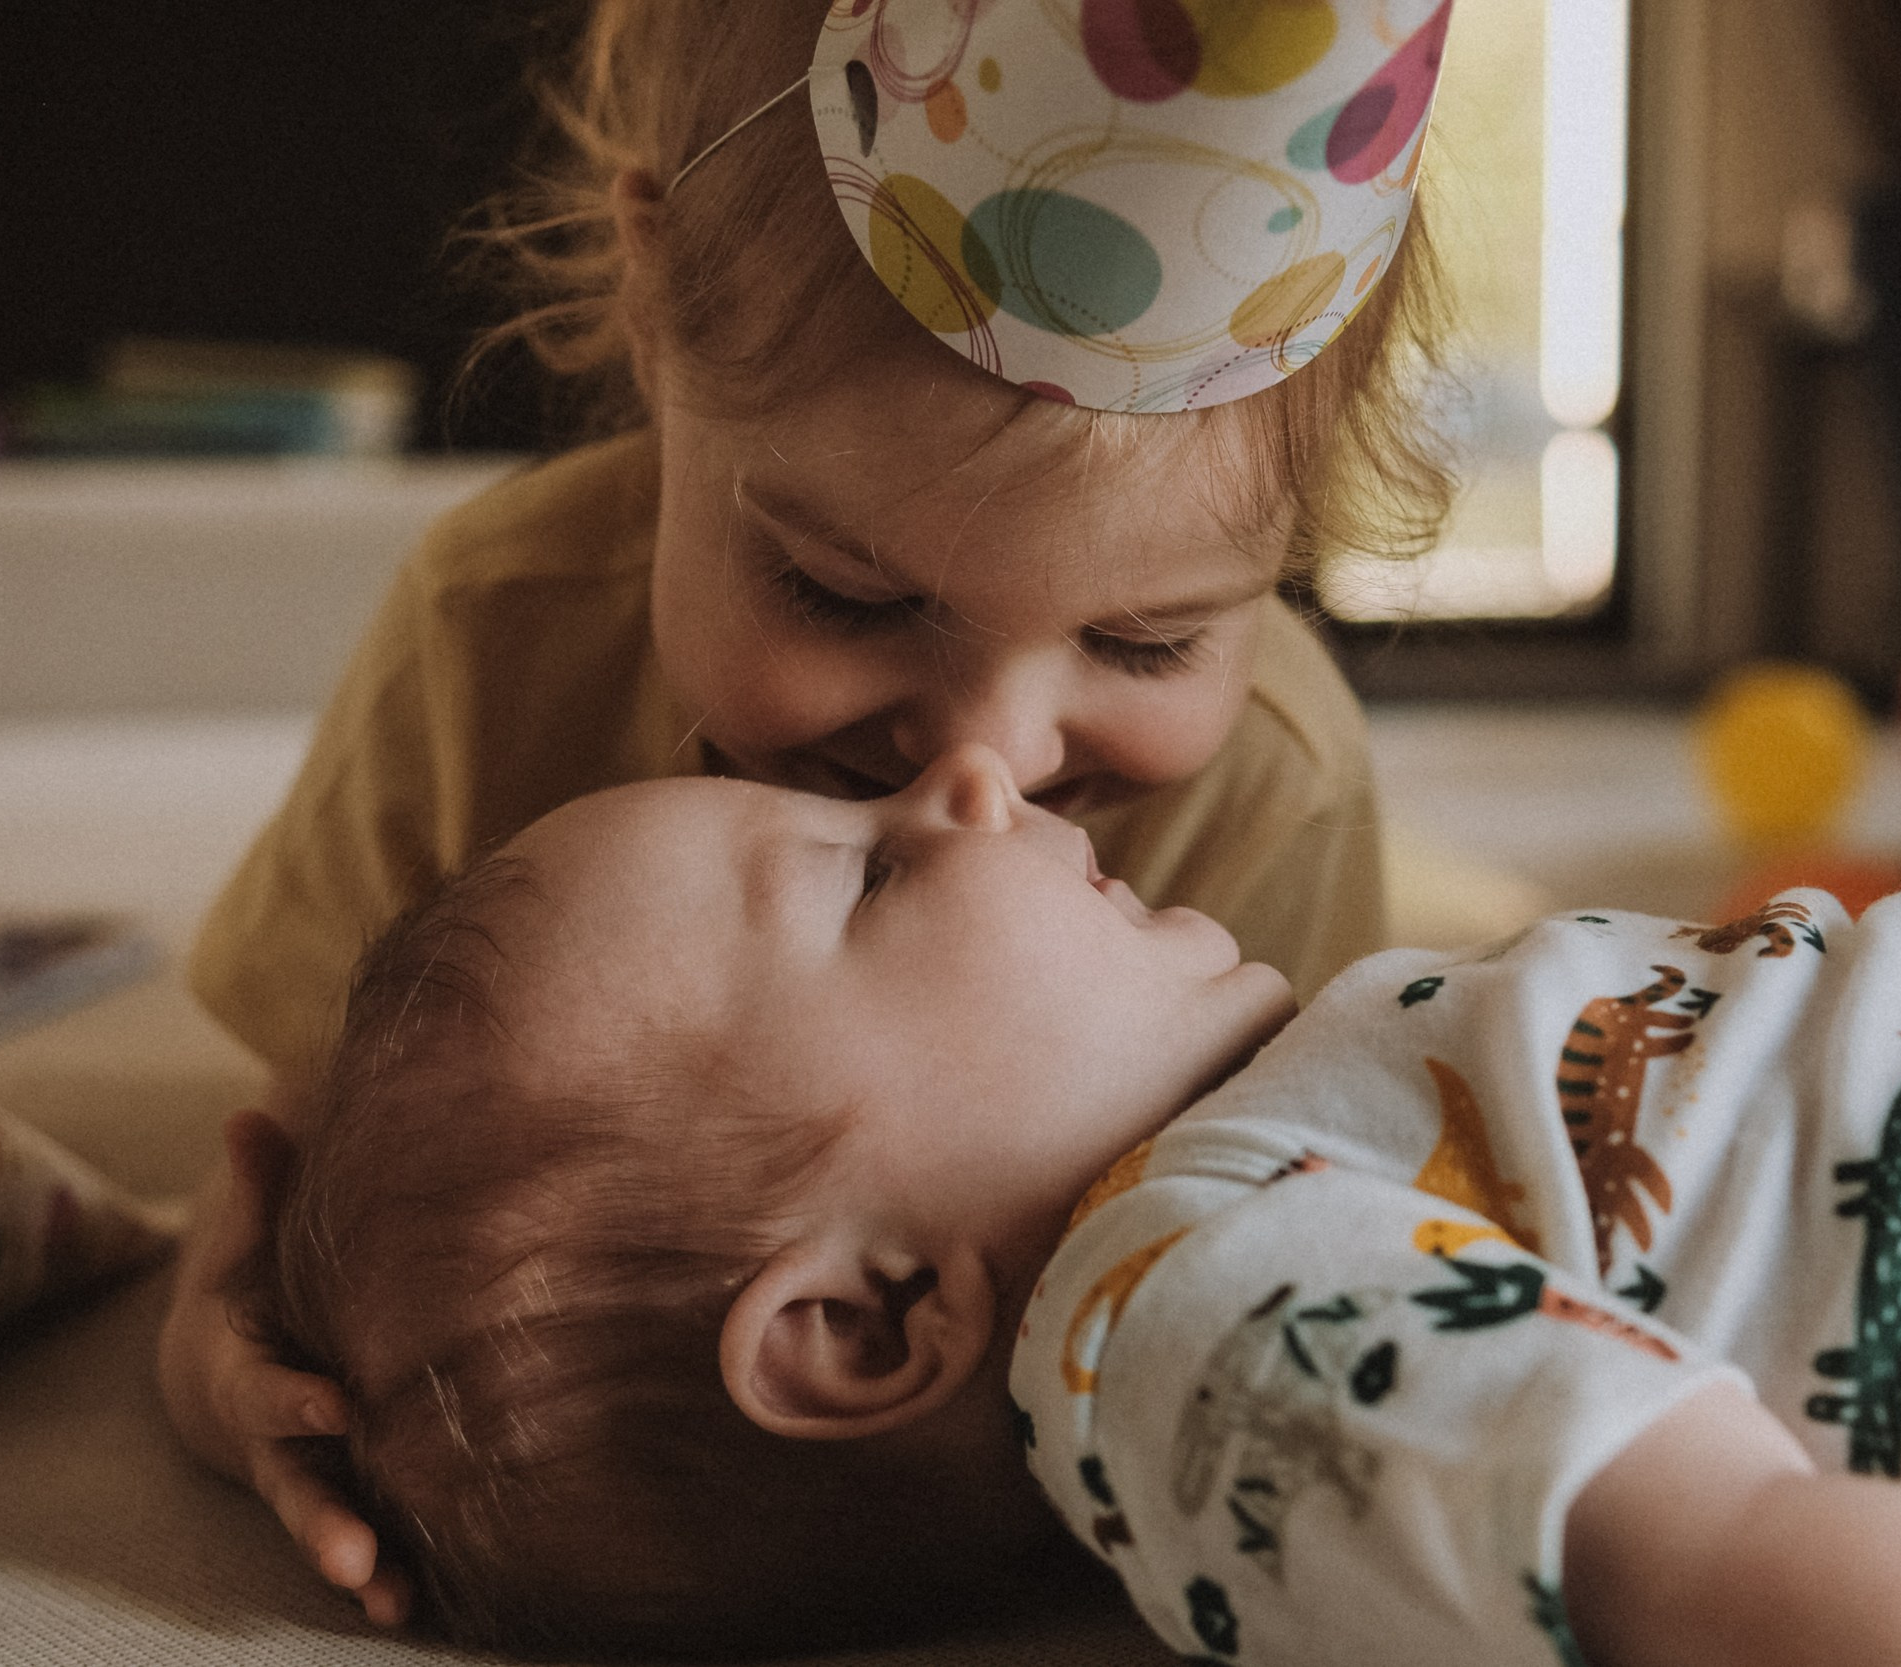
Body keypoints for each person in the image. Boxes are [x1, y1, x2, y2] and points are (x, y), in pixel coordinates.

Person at [156, 0, 1459, 1621]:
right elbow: (313, 1159)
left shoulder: (1270, 779)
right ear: (653, 315)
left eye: (1145, 639)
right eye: (844, 593)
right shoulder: (494, 632)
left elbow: (1350, 1244)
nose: (997, 760)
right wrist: (221, 1341)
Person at [248, 745, 1901, 1665]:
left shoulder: (1297, 1115)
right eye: (874, 867)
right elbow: (1728, 1562)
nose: (969, 774)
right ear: (869, 1317)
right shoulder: (1175, 1296)